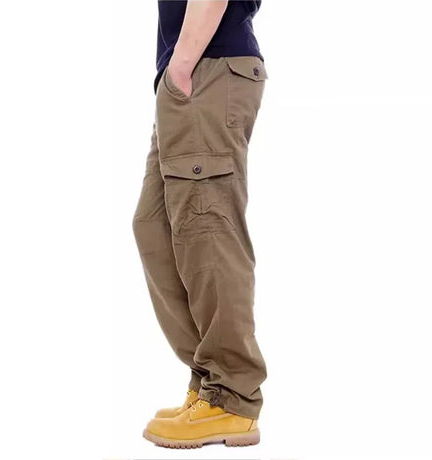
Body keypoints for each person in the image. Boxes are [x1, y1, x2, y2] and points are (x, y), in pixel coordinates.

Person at [132, 0, 268, 449]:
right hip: (191, 73)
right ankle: (211, 381)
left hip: (206, 66)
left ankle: (232, 396)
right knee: (153, 227)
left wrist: (182, 66)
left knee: (209, 233)